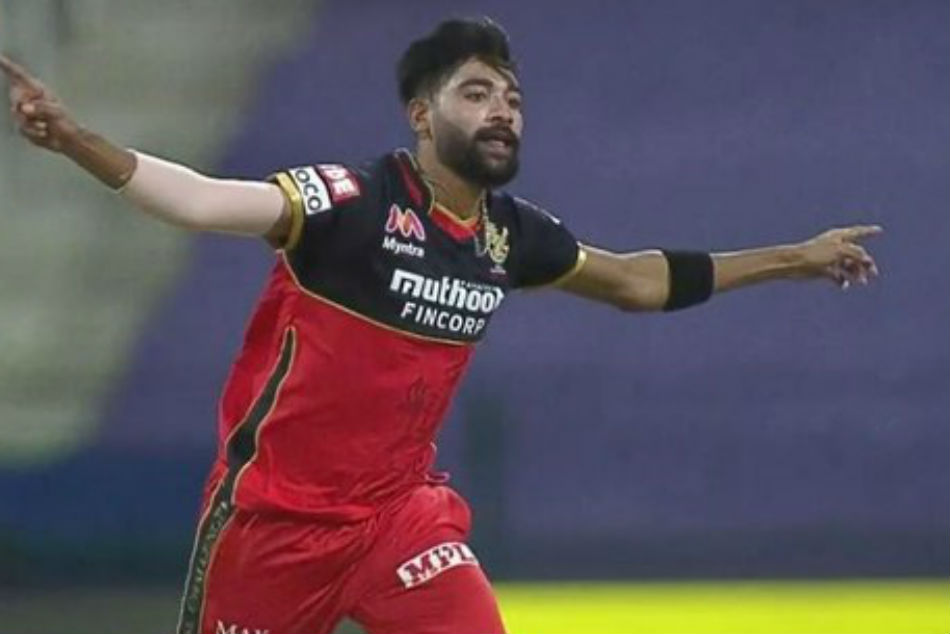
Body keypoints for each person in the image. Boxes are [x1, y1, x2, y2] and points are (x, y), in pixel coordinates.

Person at [1, 16, 879, 634]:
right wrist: (77, 141)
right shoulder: (350, 201)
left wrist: (791, 259)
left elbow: (634, 281)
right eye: (477, 93)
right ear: (422, 116)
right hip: (271, 527)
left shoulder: (510, 236)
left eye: (513, 98)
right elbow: (200, 202)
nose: (503, 111)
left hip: (397, 520)